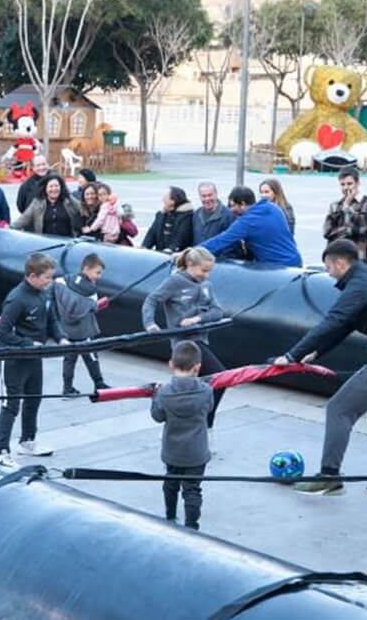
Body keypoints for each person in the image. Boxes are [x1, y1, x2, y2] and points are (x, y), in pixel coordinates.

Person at [273, 239, 367, 499]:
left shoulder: (359, 287)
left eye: (328, 267)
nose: (328, 273)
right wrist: (316, 353)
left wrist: (290, 355)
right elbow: (345, 325)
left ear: (341, 263)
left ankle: (329, 477)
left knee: (339, 409)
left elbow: (332, 322)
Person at [143, 247, 227, 445]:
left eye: (209, 271)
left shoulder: (206, 285)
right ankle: (202, 426)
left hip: (200, 339)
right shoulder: (175, 282)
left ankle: (196, 425)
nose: (206, 275)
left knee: (196, 385)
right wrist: (150, 324)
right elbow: (151, 300)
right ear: (190, 264)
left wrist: (197, 319)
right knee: (219, 376)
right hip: (183, 343)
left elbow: (217, 311)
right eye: (203, 270)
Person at [0, 253, 67, 466]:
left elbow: (52, 319)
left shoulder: (44, 294)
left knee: (34, 399)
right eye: (46, 277)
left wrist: (61, 338)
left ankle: (27, 441)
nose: (50, 281)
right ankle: (1, 450)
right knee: (11, 404)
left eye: (51, 277)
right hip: (13, 358)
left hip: (34, 357)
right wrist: (27, 343)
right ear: (32, 276)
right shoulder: (17, 298)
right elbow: (2, 332)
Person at [151, 340, 214, 531]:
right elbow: (209, 409)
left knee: (170, 484)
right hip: (197, 453)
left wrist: (155, 396)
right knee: (192, 490)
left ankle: (170, 516)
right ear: (197, 367)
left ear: (171, 365)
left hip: (173, 452)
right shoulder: (206, 391)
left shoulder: (164, 393)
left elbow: (157, 416)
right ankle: (191, 527)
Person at [198, 186, 302, 266]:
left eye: (233, 205)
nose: (231, 210)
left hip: (278, 268)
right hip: (295, 262)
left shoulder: (246, 222)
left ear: (243, 204)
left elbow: (222, 240)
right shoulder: (273, 208)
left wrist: (195, 252)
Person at [53, 253, 110, 396]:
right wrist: (101, 304)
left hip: (67, 329)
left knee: (69, 360)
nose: (99, 276)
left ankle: (67, 388)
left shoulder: (63, 280)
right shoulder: (90, 291)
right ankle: (99, 384)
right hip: (84, 331)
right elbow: (93, 307)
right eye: (97, 272)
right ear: (86, 269)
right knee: (91, 357)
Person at [322, 167, 367, 263]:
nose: (346, 188)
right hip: (335, 256)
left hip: (357, 257)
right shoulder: (335, 205)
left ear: (358, 183)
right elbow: (327, 231)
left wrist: (347, 208)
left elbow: (362, 228)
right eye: (342, 184)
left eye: (349, 184)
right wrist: (348, 229)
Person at [13, 175, 83, 237]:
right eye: (51, 186)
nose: (54, 189)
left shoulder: (69, 200)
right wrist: (9, 229)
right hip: (46, 244)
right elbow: (23, 219)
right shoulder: (37, 203)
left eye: (56, 186)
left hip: (67, 243)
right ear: (45, 188)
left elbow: (83, 210)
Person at [143, 187, 196, 254]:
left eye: (165, 198)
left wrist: (170, 250)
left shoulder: (187, 216)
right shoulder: (161, 215)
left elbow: (181, 238)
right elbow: (151, 234)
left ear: (173, 201)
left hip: (179, 256)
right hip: (160, 253)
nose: (163, 200)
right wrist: (144, 247)